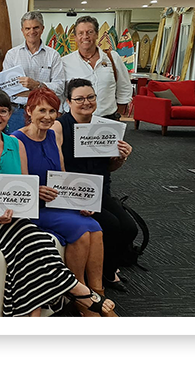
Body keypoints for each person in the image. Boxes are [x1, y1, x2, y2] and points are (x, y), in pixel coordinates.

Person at [0, 88, 116, 317]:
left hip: (15, 217)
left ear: (10, 114)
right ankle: (80, 292)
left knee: (40, 243)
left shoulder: (15, 145)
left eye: (3, 111)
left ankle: (34, 314)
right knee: (33, 242)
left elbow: (25, 190)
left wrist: (70, 199)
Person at [11, 87, 110, 305]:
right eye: (42, 110)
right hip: (34, 208)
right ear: (29, 111)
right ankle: (81, 297)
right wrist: (36, 190)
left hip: (57, 203)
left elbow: (63, 176)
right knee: (80, 231)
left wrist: (79, 202)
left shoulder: (53, 135)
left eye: (52, 111)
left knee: (95, 228)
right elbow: (19, 185)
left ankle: (98, 291)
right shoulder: (16, 140)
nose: (48, 116)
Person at [53, 78, 136, 292]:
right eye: (79, 99)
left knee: (129, 228)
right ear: (68, 102)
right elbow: (56, 169)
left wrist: (120, 158)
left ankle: (108, 268)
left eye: (90, 97)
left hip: (100, 191)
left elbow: (109, 168)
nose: (86, 102)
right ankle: (102, 274)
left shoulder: (104, 127)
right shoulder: (60, 127)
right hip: (72, 193)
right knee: (111, 225)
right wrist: (74, 200)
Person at [1, 11, 65, 134]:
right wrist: (41, 90)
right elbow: (6, 88)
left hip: (44, 112)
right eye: (28, 28)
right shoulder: (12, 55)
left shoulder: (53, 55)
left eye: (36, 27)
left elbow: (60, 87)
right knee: (15, 144)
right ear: (22, 30)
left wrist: (37, 85)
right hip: (17, 112)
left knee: (43, 144)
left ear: (42, 29)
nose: (32, 31)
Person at [61, 15, 132, 120]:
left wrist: (119, 113)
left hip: (108, 119)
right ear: (75, 37)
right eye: (80, 33)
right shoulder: (65, 62)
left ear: (97, 34)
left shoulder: (112, 58)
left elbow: (124, 86)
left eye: (90, 32)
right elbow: (61, 92)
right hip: (75, 120)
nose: (85, 36)